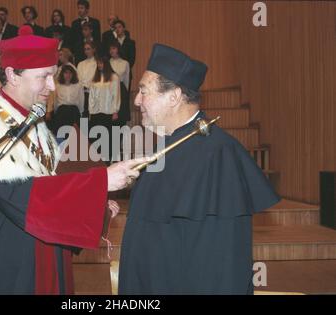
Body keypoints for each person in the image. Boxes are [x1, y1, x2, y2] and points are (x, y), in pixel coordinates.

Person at [0, 25, 144, 295]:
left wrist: (92, 202)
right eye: (44, 77)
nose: (52, 86)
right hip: (4, 265)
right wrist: (101, 181)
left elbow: (45, 184)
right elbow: (23, 197)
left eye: (52, 76)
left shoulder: (30, 120)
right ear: (12, 76)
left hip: (33, 253)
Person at [118, 44, 280, 295]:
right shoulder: (169, 143)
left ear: (174, 97)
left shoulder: (220, 155)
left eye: (143, 90)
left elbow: (223, 264)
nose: (137, 99)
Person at [88, 55, 120, 162]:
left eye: (101, 63)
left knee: (108, 138)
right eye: (98, 63)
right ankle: (98, 161)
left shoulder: (114, 77)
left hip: (108, 112)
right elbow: (91, 96)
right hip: (97, 113)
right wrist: (91, 111)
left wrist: (115, 110)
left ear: (106, 64)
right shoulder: (95, 78)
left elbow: (116, 95)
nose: (99, 65)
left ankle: (107, 160)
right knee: (97, 137)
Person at [109, 41, 131, 125]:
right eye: (110, 49)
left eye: (113, 48)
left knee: (121, 118)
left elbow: (126, 81)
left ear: (118, 49)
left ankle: (121, 137)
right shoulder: (107, 63)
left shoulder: (125, 63)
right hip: (109, 89)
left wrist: (124, 93)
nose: (111, 51)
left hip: (121, 89)